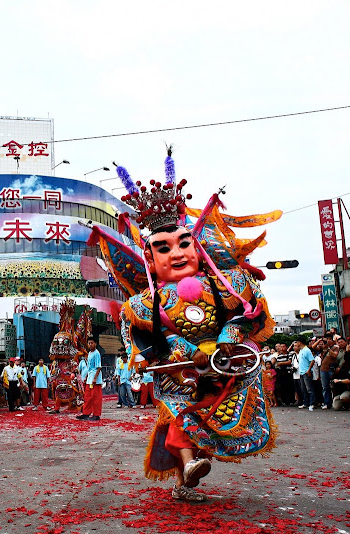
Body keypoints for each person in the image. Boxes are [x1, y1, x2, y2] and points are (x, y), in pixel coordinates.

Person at [88, 149, 278, 502]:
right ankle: (187, 470)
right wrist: (186, 351)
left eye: (183, 244)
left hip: (225, 362)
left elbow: (247, 315)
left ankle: (186, 476)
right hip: (179, 370)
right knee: (179, 417)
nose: (176, 254)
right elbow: (143, 339)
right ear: (149, 259)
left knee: (208, 422)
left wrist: (226, 338)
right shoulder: (143, 303)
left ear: (197, 247)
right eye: (163, 249)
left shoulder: (226, 282)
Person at [76, 337, 102, 421]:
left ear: (95, 344)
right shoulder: (90, 353)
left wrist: (95, 378)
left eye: (92, 343)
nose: (90, 345)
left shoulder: (96, 353)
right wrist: (87, 377)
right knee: (87, 397)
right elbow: (89, 368)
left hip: (95, 379)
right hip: (89, 378)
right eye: (89, 343)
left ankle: (96, 415)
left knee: (95, 397)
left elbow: (98, 367)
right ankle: (86, 413)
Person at [295, 338, 316, 411]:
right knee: (303, 389)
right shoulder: (301, 350)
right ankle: (306, 402)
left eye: (297, 342)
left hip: (306, 372)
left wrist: (309, 370)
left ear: (300, 342)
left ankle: (312, 403)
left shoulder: (307, 350)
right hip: (301, 372)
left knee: (309, 388)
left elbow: (312, 360)